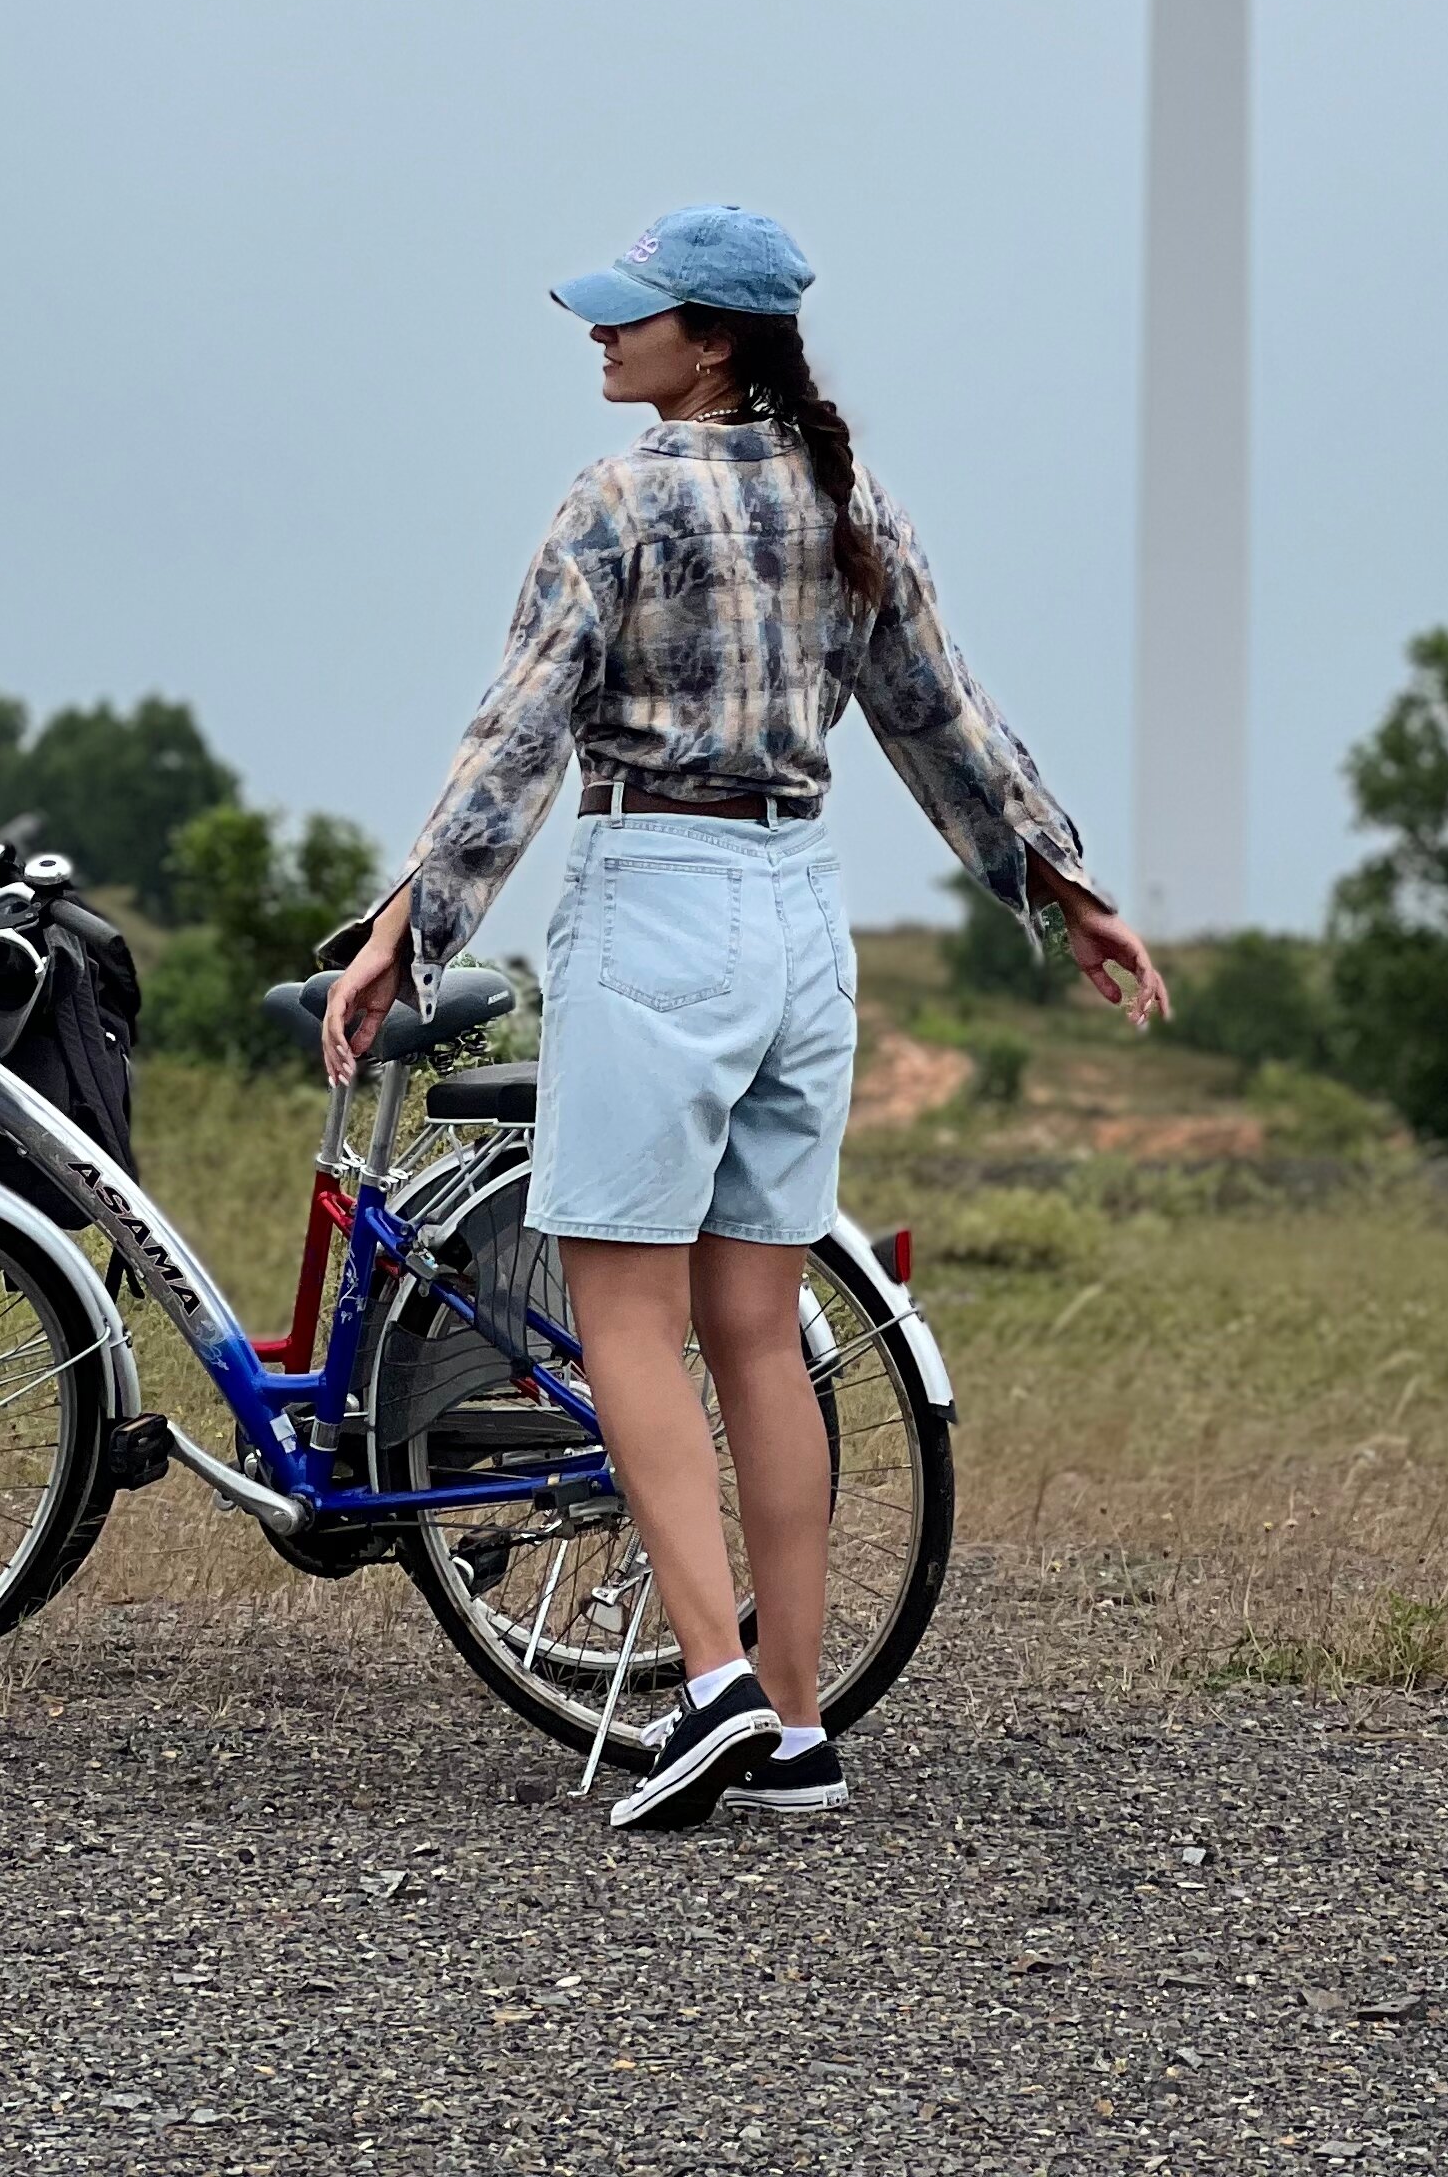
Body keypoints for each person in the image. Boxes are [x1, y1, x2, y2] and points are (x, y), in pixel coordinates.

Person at [319, 202, 1169, 1830]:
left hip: (660, 901)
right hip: (799, 922)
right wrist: (1060, 887)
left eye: (631, 315)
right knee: (760, 1333)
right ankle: (795, 1726)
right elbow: (944, 722)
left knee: (625, 1317)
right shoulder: (849, 499)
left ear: (710, 338)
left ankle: (704, 1689)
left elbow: (517, 742)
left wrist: (404, 931)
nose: (600, 332)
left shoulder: (619, 500)